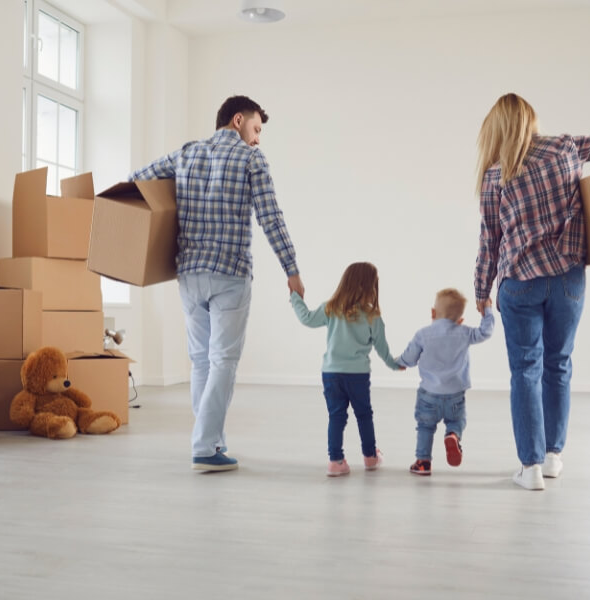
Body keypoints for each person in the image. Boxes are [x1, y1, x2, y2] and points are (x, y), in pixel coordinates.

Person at [473, 93, 590, 491]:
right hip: (569, 280)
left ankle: (531, 467)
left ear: (498, 128)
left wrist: (481, 290)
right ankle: (553, 457)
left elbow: (490, 241)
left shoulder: (494, 176)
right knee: (558, 365)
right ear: (531, 121)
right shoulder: (567, 148)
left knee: (525, 371)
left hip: (519, 284)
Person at [130, 95, 304, 472]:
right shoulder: (250, 159)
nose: (258, 139)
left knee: (200, 362)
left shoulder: (186, 154)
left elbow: (137, 180)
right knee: (223, 360)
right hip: (229, 273)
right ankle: (206, 446)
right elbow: (270, 218)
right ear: (238, 120)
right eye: (256, 129)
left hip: (189, 273)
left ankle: (212, 439)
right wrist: (291, 269)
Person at [290, 262, 402, 477]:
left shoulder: (330, 308)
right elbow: (382, 348)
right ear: (371, 287)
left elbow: (306, 319)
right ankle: (370, 457)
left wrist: (295, 296)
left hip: (331, 373)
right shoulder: (372, 315)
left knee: (336, 416)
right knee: (364, 415)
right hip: (358, 375)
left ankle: (335, 461)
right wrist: (394, 365)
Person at [395, 288, 495, 476]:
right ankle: (453, 435)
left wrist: (398, 362)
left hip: (428, 394)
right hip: (455, 394)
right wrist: (487, 309)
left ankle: (423, 462)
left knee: (425, 426)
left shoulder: (423, 334)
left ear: (433, 313)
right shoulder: (464, 332)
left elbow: (409, 357)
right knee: (456, 421)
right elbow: (485, 332)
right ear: (460, 320)